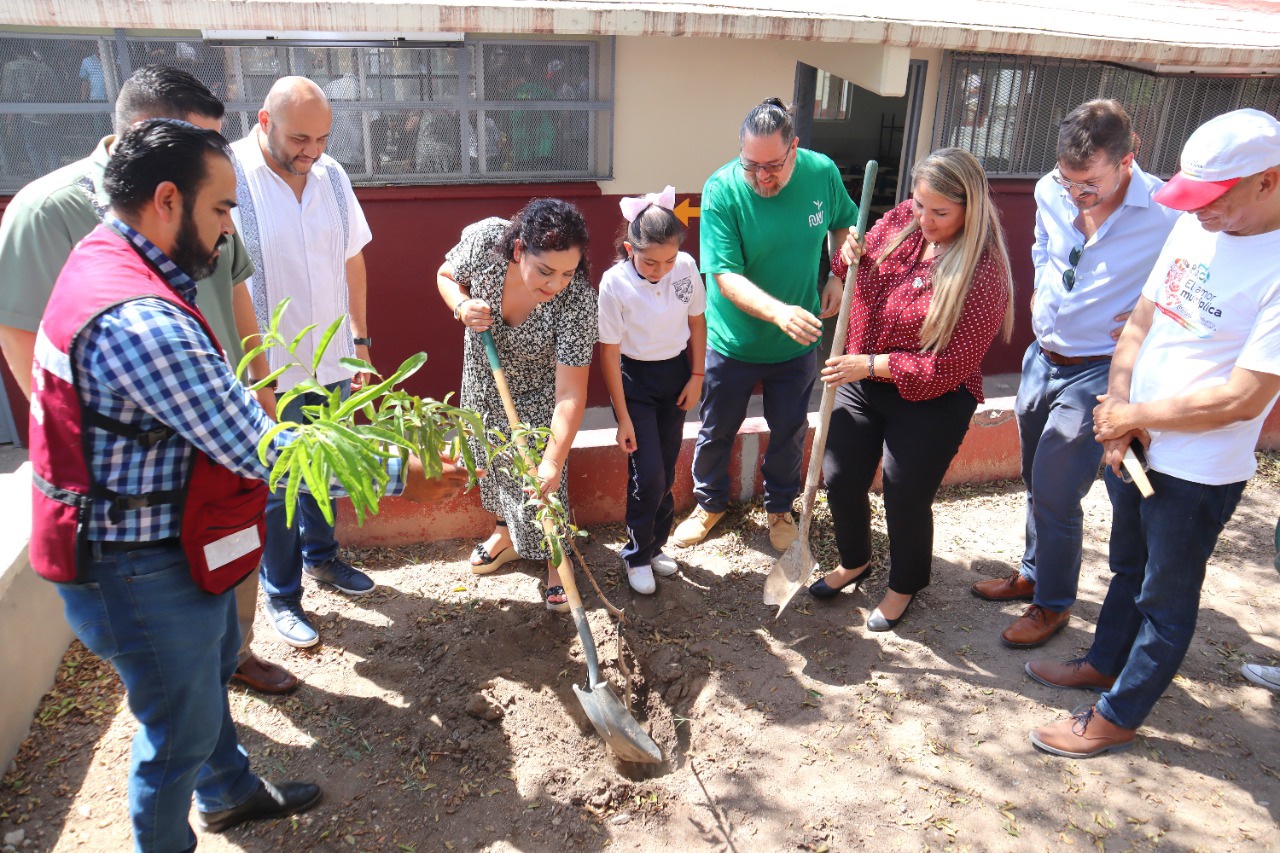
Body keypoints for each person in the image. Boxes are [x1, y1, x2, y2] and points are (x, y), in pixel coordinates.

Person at [27, 117, 467, 853]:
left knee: (199, 690)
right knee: (177, 728)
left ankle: (228, 791)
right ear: (167, 199)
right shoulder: (145, 322)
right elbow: (269, 451)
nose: (230, 231)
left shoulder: (104, 257)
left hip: (148, 540)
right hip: (134, 564)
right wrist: (402, 474)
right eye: (223, 210)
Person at [0, 64, 297, 696]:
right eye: (201, 145)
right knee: (174, 700)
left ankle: (230, 657)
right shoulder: (50, 214)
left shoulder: (194, 204)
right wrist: (84, 447)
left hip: (219, 423)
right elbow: (24, 338)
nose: (217, 159)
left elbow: (237, 294)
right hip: (143, 478)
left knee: (226, 572)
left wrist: (264, 393)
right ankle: (196, 689)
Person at [1028, 108, 1280, 758]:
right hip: (1137, 444)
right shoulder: (1195, 230)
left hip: (1197, 470)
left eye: (1213, 201)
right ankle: (1104, 660)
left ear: (1269, 181)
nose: (1197, 213)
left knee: (1166, 599)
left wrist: (1135, 417)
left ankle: (1116, 713)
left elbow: (1243, 395)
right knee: (1126, 568)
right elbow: (1140, 323)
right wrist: (1118, 407)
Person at [972, 100, 1181, 649]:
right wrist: (1044, 286)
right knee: (1034, 480)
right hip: (1042, 357)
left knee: (1058, 492)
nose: (1075, 194)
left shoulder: (1167, 213)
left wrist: (1147, 322)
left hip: (1098, 371)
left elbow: (1187, 288)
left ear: (1128, 160)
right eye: (1068, 181)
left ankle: (1053, 605)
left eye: (1088, 184)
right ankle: (1033, 571)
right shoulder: (1049, 189)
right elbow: (1044, 244)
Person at [807, 148, 1013, 632]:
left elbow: (946, 367)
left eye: (940, 212)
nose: (924, 219)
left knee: (904, 493)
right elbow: (851, 262)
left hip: (931, 396)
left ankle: (905, 584)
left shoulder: (984, 274)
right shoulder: (904, 218)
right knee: (840, 476)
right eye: (919, 205)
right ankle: (855, 560)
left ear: (971, 207)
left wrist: (872, 364)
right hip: (863, 372)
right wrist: (847, 256)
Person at [672, 98, 857, 552]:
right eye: (750, 164)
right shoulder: (722, 190)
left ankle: (779, 507)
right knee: (716, 428)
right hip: (732, 341)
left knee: (790, 427)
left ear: (794, 148)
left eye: (772, 165)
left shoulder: (821, 173)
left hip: (797, 343)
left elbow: (846, 224)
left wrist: (836, 270)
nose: (761, 177)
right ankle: (710, 503)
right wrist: (778, 313)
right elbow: (724, 275)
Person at [230, 76, 377, 649]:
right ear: (264, 122)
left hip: (333, 361)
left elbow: (352, 260)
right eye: (299, 139)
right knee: (280, 486)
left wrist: (360, 342)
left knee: (327, 471)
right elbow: (227, 282)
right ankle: (282, 594)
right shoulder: (232, 177)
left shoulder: (332, 177)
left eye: (321, 139)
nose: (311, 152)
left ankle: (324, 559)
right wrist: (253, 369)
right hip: (270, 371)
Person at [436, 198, 597, 611]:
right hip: (484, 380)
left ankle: (553, 560)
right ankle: (505, 533)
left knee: (543, 483)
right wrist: (461, 305)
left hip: (542, 396)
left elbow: (570, 393)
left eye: (566, 272)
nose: (555, 283)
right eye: (545, 271)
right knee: (490, 462)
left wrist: (553, 461)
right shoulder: (487, 241)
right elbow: (446, 274)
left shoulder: (577, 300)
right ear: (520, 249)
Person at [598, 186, 706, 594]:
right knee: (650, 474)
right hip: (635, 383)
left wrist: (697, 376)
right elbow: (609, 354)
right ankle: (636, 555)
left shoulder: (686, 267)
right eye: (649, 261)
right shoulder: (614, 284)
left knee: (664, 466)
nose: (661, 269)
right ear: (629, 249)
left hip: (676, 376)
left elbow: (697, 322)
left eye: (669, 259)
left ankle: (655, 545)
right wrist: (623, 416)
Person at [1, 47, 59, 174]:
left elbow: (9, 93)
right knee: (51, 145)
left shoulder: (12, 67)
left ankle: (40, 175)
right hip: (47, 110)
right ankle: (55, 173)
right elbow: (55, 90)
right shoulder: (44, 68)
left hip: (28, 112)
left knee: (32, 146)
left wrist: (9, 115)